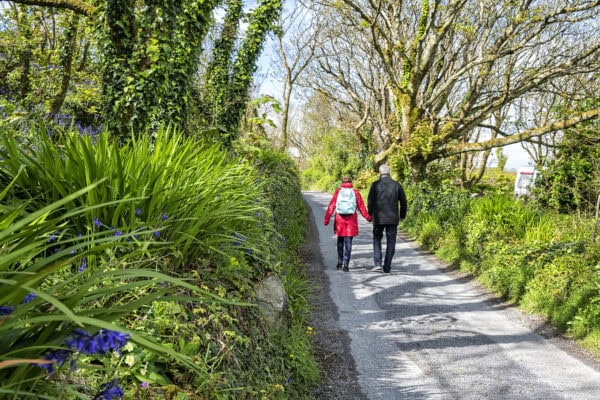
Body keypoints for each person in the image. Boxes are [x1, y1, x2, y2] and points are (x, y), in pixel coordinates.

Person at [324, 176, 372, 272]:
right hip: (351, 220)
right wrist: (368, 218)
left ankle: (339, 262)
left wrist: (327, 219)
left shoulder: (338, 191)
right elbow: (361, 206)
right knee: (348, 242)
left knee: (340, 241)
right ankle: (346, 264)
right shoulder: (355, 192)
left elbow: (332, 205)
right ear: (351, 182)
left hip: (340, 219)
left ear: (342, 182)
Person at [367, 164, 408, 273]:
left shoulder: (375, 185)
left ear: (380, 173)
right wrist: (402, 215)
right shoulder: (397, 185)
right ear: (389, 172)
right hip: (392, 218)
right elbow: (403, 202)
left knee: (377, 239)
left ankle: (377, 263)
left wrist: (369, 214)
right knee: (391, 242)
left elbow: (370, 201)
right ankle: (387, 266)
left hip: (378, 218)